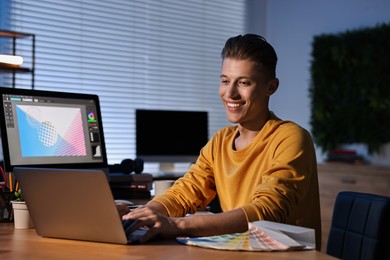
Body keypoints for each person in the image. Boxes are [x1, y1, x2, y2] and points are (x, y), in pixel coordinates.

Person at [120, 34, 322, 250]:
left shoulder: (291, 137)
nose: (230, 93)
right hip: (240, 251)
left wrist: (178, 224)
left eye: (244, 82)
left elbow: (266, 212)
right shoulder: (220, 141)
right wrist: (144, 214)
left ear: (271, 87)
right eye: (225, 80)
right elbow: (186, 191)